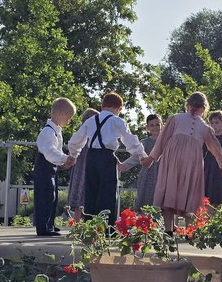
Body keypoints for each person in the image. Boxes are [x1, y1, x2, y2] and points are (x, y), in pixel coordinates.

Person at [141, 92, 222, 231]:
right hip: (192, 163)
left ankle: (168, 230)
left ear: (188, 105)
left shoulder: (175, 119)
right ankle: (189, 231)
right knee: (189, 193)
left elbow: (162, 139)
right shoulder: (205, 128)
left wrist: (152, 158)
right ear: (204, 109)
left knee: (170, 190)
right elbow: (216, 150)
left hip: (172, 159)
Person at [68, 92, 147, 226]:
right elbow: (130, 142)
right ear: (119, 108)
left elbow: (75, 141)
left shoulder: (90, 120)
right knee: (107, 193)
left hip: (91, 157)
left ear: (103, 106)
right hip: (106, 156)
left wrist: (73, 155)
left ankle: (90, 226)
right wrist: (142, 156)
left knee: (91, 191)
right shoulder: (117, 121)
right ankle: (106, 227)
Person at [34, 97, 76, 236]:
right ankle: (43, 227)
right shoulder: (48, 132)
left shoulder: (55, 131)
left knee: (52, 196)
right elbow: (50, 152)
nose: (68, 121)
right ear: (61, 114)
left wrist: (63, 162)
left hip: (51, 168)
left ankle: (49, 224)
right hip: (44, 168)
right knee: (45, 197)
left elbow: (55, 152)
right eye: (68, 118)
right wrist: (64, 158)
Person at [119, 114, 163, 211]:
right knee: (146, 202)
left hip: (163, 174)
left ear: (162, 125)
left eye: (157, 124)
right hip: (148, 175)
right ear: (147, 128)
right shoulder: (145, 142)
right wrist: (124, 165)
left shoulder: (167, 141)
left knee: (162, 202)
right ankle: (145, 223)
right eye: (152, 125)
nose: (155, 127)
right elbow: (136, 157)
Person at [67, 108, 99, 222]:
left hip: (81, 166)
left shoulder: (82, 132)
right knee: (81, 196)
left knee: (80, 197)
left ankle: (77, 223)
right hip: (83, 166)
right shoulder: (89, 132)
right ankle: (77, 223)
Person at [204, 110, 222, 206]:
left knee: (220, 195)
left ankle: (218, 217)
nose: (214, 125)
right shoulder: (207, 138)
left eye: (217, 123)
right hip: (208, 169)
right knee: (208, 195)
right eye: (211, 123)